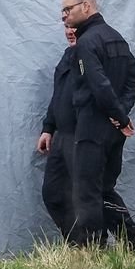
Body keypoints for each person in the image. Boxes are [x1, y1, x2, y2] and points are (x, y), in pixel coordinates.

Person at [58, 0, 135, 248]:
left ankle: (93, 251)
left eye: (68, 9)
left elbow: (99, 85)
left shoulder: (87, 42)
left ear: (86, 6)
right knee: (105, 188)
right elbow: (134, 82)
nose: (64, 16)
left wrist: (118, 115)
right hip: (113, 131)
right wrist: (121, 115)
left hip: (92, 129)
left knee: (86, 191)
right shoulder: (116, 38)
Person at [37, 23, 80, 241]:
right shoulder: (68, 55)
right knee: (53, 193)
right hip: (62, 135)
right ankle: (77, 243)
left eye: (74, 26)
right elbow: (58, 96)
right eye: (66, 26)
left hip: (82, 136)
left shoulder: (93, 55)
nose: (70, 31)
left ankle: (132, 242)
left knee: (91, 194)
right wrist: (48, 128)